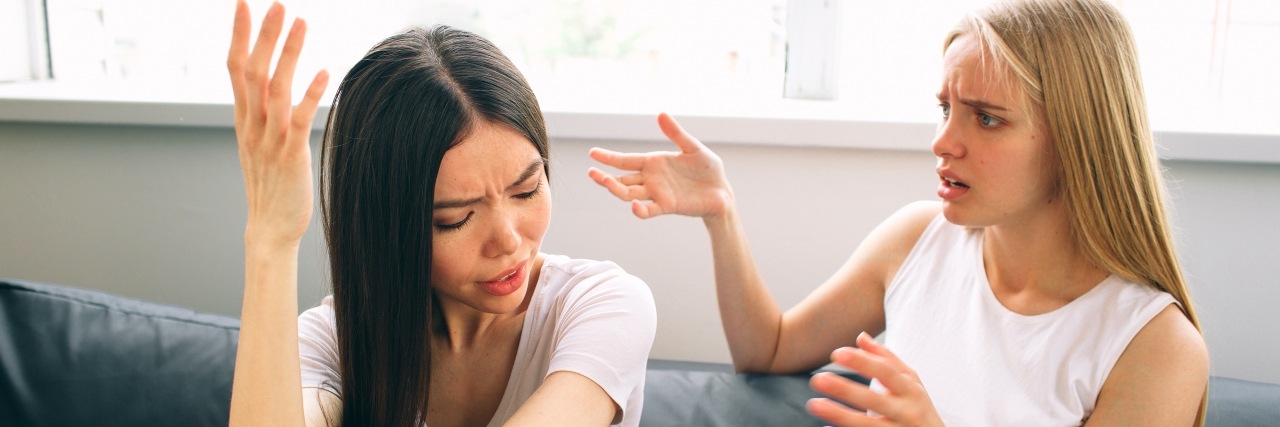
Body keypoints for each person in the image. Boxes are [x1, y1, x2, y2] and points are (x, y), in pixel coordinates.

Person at [587, 0, 1208, 425]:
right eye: (946, 109)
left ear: (1077, 136)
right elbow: (768, 349)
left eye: (986, 117)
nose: (944, 142)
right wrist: (722, 215)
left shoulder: (1155, 347)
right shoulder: (917, 240)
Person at [225, 1, 656, 426]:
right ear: (388, 228)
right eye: (455, 219)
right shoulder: (336, 341)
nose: (507, 239)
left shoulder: (603, 305)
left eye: (526, 191)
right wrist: (271, 240)